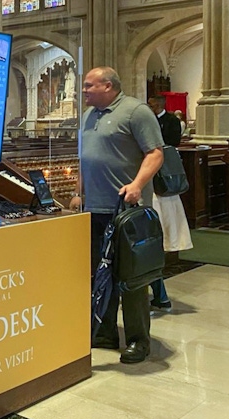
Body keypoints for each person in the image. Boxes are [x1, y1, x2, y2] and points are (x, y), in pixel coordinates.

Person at [69, 66, 164, 364]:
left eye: (88, 86)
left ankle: (138, 339)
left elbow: (156, 153)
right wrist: (78, 191)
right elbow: (86, 159)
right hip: (93, 208)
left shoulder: (136, 112)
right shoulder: (88, 116)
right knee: (100, 274)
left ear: (107, 85)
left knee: (131, 277)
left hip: (125, 211)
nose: (83, 91)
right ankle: (104, 331)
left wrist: (137, 185)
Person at [147, 95, 192, 313]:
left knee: (151, 246)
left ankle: (160, 296)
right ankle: (160, 295)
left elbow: (169, 146)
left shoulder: (170, 124)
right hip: (155, 191)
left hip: (160, 189)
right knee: (151, 247)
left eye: (153, 105)